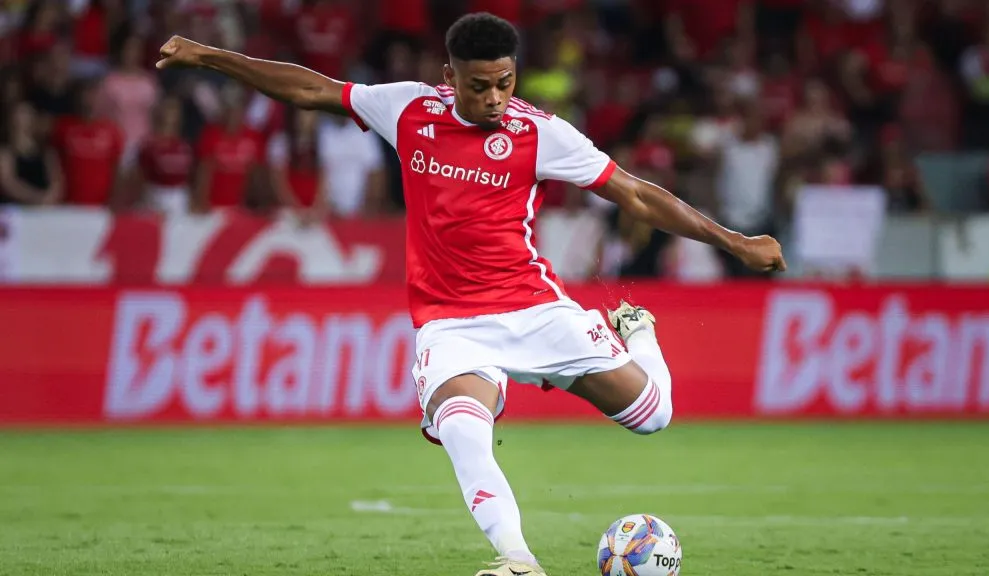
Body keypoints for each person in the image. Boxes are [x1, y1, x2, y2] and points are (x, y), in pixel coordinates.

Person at [155, 13, 785, 576]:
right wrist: (212, 58)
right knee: (463, 427)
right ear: (447, 75)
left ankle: (636, 328)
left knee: (654, 417)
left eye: (504, 84)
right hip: (451, 326)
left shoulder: (541, 133)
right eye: (478, 85)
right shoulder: (407, 109)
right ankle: (518, 560)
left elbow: (637, 194)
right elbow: (311, 88)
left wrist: (732, 242)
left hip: (535, 308)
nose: (492, 98)